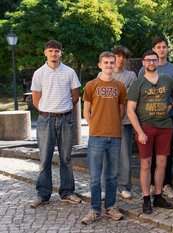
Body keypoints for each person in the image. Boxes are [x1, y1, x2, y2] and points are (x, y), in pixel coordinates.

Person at [127, 50, 173, 214]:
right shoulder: (138, 83)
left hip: (165, 127)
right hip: (145, 128)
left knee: (162, 163)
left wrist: (172, 105)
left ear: (158, 62)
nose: (151, 63)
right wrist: (140, 132)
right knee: (145, 164)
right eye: (148, 60)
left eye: (154, 60)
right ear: (143, 63)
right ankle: (146, 198)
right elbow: (130, 110)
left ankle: (158, 196)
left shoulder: (167, 80)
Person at [30, 40, 82, 208]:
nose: (54, 54)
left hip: (65, 119)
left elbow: (75, 96)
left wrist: (62, 109)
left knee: (66, 157)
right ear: (45, 52)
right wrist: (48, 110)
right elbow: (36, 99)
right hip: (46, 120)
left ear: (61, 53)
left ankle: (67, 192)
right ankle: (43, 194)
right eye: (51, 51)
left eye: (57, 51)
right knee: (45, 157)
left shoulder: (69, 72)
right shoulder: (39, 73)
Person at [81, 52, 126, 224]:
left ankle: (110, 206)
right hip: (96, 137)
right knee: (94, 176)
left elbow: (121, 111)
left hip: (115, 136)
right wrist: (96, 127)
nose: (109, 65)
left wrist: (113, 124)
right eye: (106, 62)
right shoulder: (91, 85)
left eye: (111, 63)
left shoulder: (120, 86)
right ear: (100, 65)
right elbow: (86, 111)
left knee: (113, 175)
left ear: (115, 65)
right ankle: (95, 209)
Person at [139, 36, 173, 199]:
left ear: (167, 49)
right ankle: (151, 185)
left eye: (164, 47)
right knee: (148, 154)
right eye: (158, 47)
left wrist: (172, 105)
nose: (161, 49)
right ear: (153, 50)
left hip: (168, 118)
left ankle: (166, 184)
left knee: (167, 153)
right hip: (148, 119)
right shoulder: (143, 70)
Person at [101, 45, 137, 200]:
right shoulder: (102, 74)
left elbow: (130, 97)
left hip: (125, 122)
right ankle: (104, 187)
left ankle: (124, 186)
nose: (121, 59)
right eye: (118, 56)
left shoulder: (130, 75)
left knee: (124, 155)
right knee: (104, 157)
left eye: (124, 56)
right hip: (106, 122)